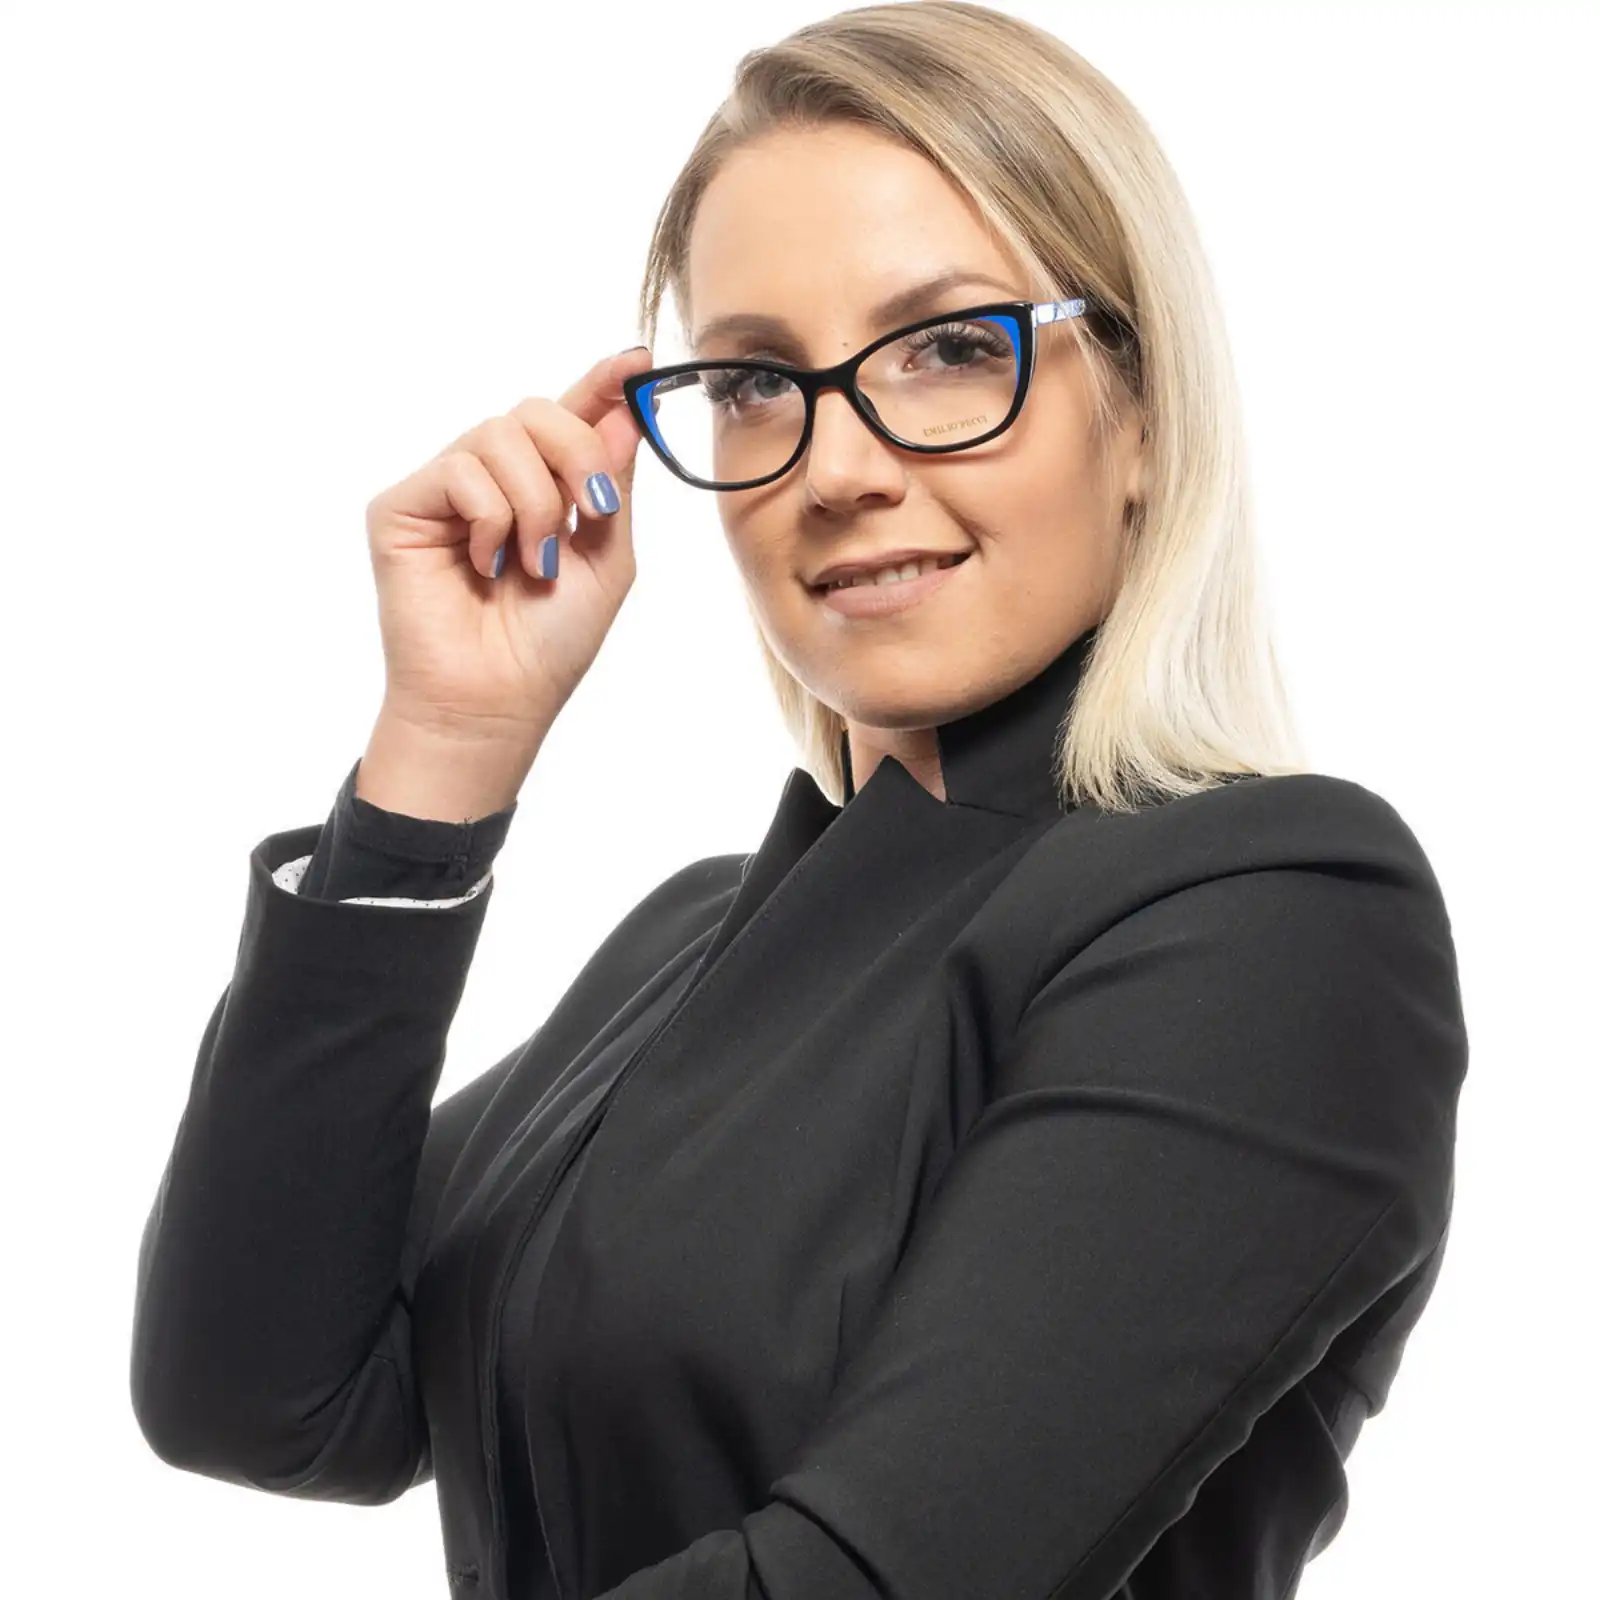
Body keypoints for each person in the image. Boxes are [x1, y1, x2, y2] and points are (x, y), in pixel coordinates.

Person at [128, 5, 1469, 1597]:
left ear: (1144, 415)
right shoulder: (697, 941)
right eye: (760, 379)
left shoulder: (1273, 913)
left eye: (951, 348)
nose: (835, 468)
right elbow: (258, 1395)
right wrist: (444, 745)